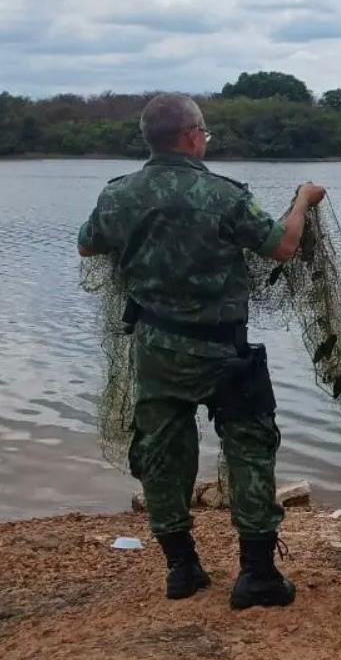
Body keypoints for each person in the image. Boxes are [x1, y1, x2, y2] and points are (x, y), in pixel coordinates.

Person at [77, 93, 325, 609]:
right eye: (205, 133)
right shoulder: (223, 194)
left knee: (164, 455)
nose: (205, 140)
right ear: (192, 136)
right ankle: (256, 577)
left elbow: (88, 244)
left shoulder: (118, 195)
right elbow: (281, 245)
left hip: (156, 349)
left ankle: (182, 569)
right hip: (223, 353)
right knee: (251, 449)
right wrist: (303, 200)